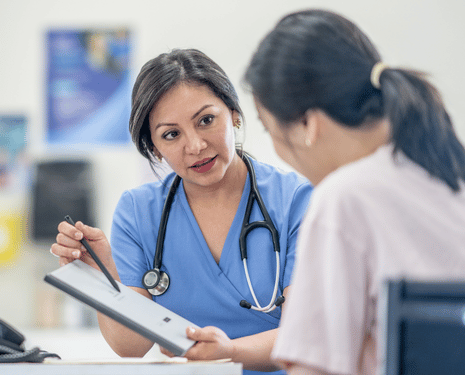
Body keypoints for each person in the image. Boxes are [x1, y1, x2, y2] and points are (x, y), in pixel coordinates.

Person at [50, 48, 313, 375]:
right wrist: (105, 278)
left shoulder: (296, 200)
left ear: (234, 114)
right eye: (171, 134)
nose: (195, 146)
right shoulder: (138, 211)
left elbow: (308, 335)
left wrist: (230, 352)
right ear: (154, 147)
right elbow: (131, 346)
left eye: (206, 120)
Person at [243, 9, 465, 375]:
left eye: (269, 131)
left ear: (305, 124)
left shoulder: (344, 199)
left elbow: (312, 370)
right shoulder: (449, 171)